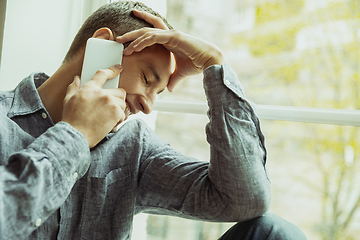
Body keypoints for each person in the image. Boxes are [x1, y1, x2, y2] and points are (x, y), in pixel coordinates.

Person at [0, 1, 307, 239]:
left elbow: (245, 200)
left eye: (158, 92)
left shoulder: (134, 146)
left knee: (274, 232)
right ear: (104, 46)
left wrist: (214, 65)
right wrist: (76, 134)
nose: (147, 106)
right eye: (147, 78)